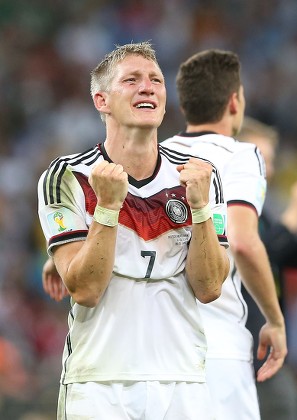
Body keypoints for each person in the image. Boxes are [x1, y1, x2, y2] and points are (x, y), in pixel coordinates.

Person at [37, 42, 230, 420]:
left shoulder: (200, 176)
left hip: (182, 380)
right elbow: (86, 290)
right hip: (98, 382)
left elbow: (209, 288)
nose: (148, 87)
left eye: (156, 80)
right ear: (101, 100)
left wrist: (201, 208)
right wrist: (108, 208)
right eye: (132, 80)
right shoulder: (67, 177)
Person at [162, 49, 287, 420]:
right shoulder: (242, 155)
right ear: (235, 102)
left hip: (156, 352)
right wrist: (275, 320)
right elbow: (243, 240)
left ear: (184, 107)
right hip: (216, 347)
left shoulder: (155, 157)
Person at [238, 116, 297, 420]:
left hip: (264, 355)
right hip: (245, 357)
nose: (272, 170)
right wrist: (296, 208)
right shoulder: (232, 213)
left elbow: (291, 253)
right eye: (263, 159)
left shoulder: (261, 216)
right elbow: (264, 252)